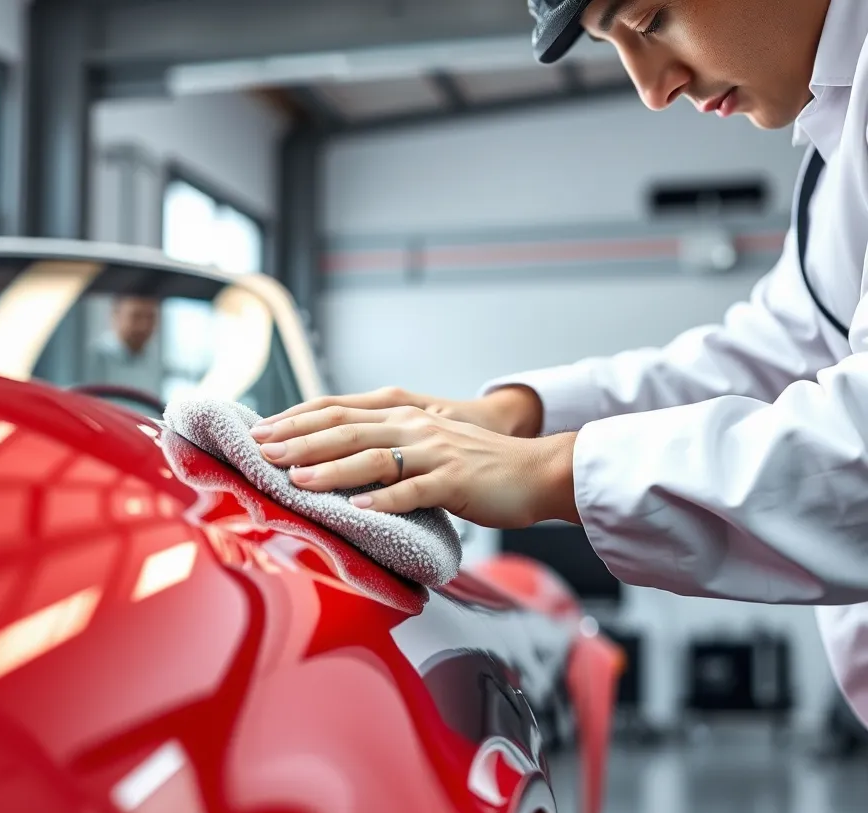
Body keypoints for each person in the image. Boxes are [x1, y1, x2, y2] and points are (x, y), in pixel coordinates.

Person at [250, 0, 868, 723]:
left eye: (648, 20)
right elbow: (776, 351)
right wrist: (512, 419)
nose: (652, 88)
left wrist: (551, 473)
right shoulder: (836, 150)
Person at [90, 295, 163, 394]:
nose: (144, 326)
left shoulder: (155, 362)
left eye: (151, 317)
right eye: (136, 316)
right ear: (116, 315)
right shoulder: (91, 358)